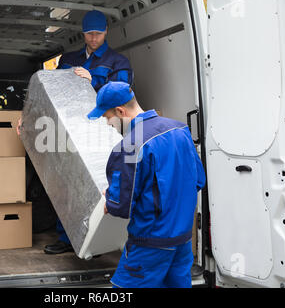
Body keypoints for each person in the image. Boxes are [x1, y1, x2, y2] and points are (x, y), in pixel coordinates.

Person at [18, 10, 133, 255]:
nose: (94, 39)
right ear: (83, 34)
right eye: (89, 34)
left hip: (100, 133)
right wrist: (29, 119)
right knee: (66, 182)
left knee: (101, 184)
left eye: (98, 34)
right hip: (68, 131)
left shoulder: (118, 62)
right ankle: (66, 237)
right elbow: (52, 93)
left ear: (106, 32)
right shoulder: (69, 58)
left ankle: (100, 239)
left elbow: (123, 96)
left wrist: (93, 81)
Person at [87, 81, 206, 288]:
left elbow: (120, 206)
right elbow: (198, 181)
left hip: (151, 243)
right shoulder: (180, 129)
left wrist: (109, 200)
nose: (108, 125)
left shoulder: (130, 146)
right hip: (182, 240)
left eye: (108, 118)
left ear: (120, 111)